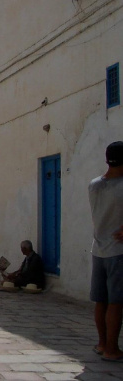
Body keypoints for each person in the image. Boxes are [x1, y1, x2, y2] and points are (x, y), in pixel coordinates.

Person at [89, 141, 123, 361]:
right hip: (117, 251)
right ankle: (112, 349)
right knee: (116, 303)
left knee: (101, 300)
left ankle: (102, 343)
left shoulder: (94, 184)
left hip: (98, 249)